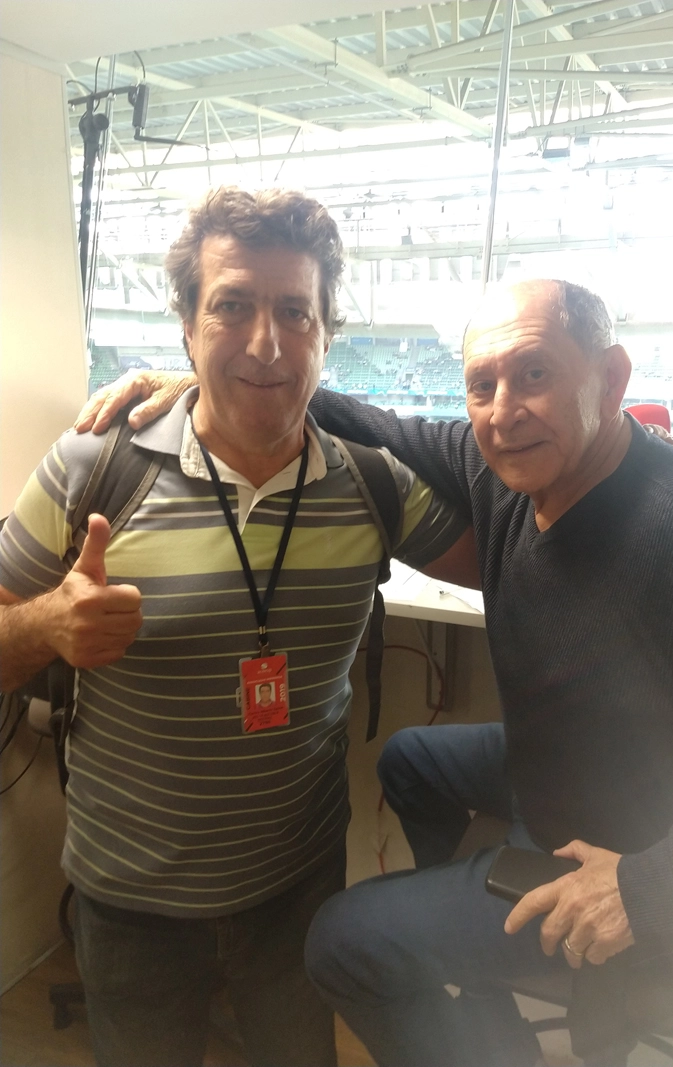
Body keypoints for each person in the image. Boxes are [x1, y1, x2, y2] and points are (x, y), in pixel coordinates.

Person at [75, 279, 673, 1067]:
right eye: (481, 384)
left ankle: (503, 977)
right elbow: (372, 420)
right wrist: (216, 385)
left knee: (342, 943)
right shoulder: (507, 465)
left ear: (613, 378)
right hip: (588, 771)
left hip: (644, 852)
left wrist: (644, 889)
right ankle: (478, 976)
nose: (502, 410)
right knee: (409, 760)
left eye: (534, 375)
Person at [0, 186, 477, 1067]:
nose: (267, 342)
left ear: (327, 335)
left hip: (295, 885)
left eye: (295, 311)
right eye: (232, 306)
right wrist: (46, 624)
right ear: (186, 325)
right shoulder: (91, 470)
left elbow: (519, 553)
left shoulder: (376, 486)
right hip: (127, 894)